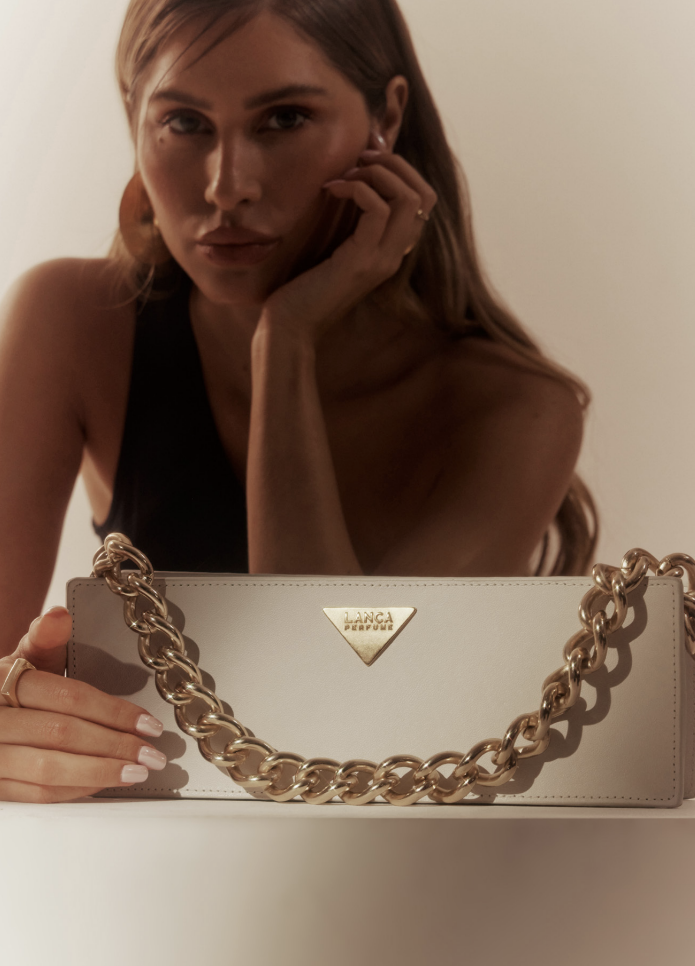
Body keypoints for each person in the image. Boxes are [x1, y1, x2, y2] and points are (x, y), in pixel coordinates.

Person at [0, 0, 597, 803]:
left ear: (386, 118)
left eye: (283, 119)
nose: (227, 187)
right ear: (135, 119)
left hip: (377, 873)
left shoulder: (515, 411)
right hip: (124, 866)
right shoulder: (75, 323)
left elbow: (337, 726)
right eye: (184, 123)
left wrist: (285, 342)